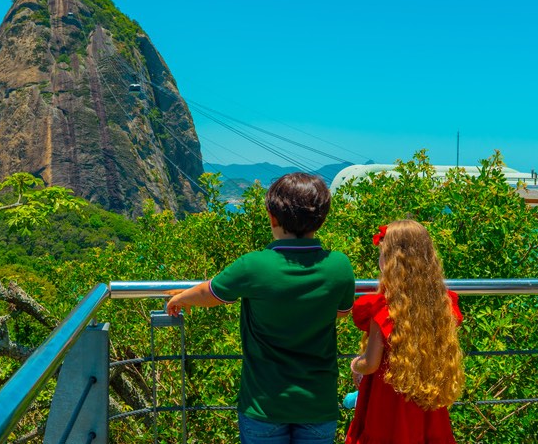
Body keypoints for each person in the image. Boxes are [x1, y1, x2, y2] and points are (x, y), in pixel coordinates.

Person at [166, 172, 355, 444]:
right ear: (322, 218)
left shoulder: (253, 265)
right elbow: (341, 312)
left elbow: (211, 291)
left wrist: (180, 298)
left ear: (272, 216)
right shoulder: (339, 266)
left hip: (264, 404)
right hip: (318, 403)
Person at [345, 219, 465, 444]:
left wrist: (355, 365)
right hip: (427, 400)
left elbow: (371, 363)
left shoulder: (384, 306)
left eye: (382, 253)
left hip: (387, 404)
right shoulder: (441, 304)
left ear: (391, 261)